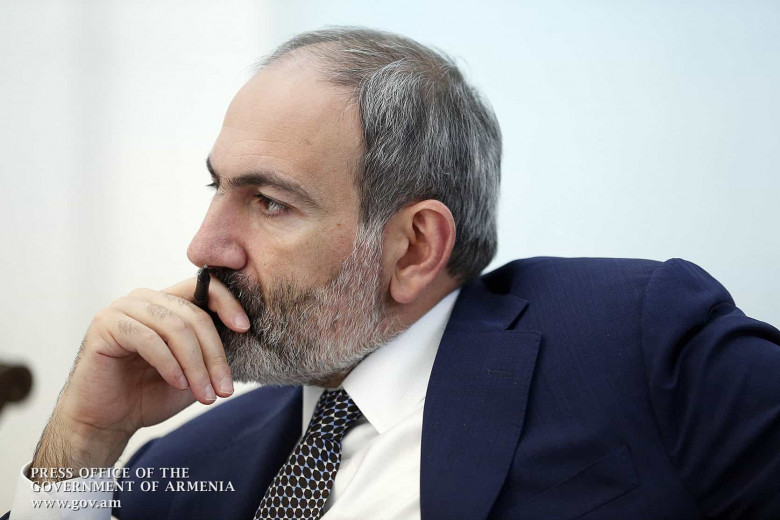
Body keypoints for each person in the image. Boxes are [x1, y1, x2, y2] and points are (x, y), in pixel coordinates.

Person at [6, 26, 780, 520]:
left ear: (414, 248)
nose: (204, 247)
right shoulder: (183, 465)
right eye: (218, 188)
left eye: (269, 203)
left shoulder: (634, 343)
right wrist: (86, 439)